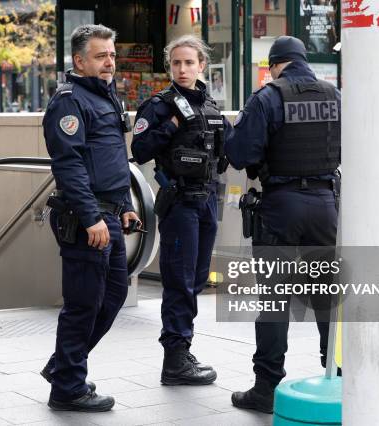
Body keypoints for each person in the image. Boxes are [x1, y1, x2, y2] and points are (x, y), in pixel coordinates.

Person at [225, 36, 341, 413]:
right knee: (327, 297)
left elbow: (240, 154)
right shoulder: (334, 95)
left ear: (276, 64)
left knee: (274, 300)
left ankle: (266, 387)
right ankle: (337, 375)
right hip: (326, 205)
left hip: (281, 206)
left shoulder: (267, 97)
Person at [40, 23, 141, 412]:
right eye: (101, 56)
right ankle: (67, 387)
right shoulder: (69, 100)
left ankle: (64, 367)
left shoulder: (107, 96)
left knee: (113, 297)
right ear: (79, 61)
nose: (109, 62)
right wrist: (90, 217)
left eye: (112, 55)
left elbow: (114, 160)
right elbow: (69, 165)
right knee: (83, 304)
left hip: (111, 213)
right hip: (87, 218)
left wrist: (127, 205)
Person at [131, 35, 231, 386]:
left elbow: (230, 148)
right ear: (169, 66)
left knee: (197, 280)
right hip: (179, 205)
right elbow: (140, 148)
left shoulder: (211, 107)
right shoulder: (159, 105)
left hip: (207, 203)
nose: (183, 69)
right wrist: (172, 125)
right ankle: (174, 359)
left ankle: (182, 350)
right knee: (179, 282)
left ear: (202, 65)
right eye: (176, 63)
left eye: (189, 63)